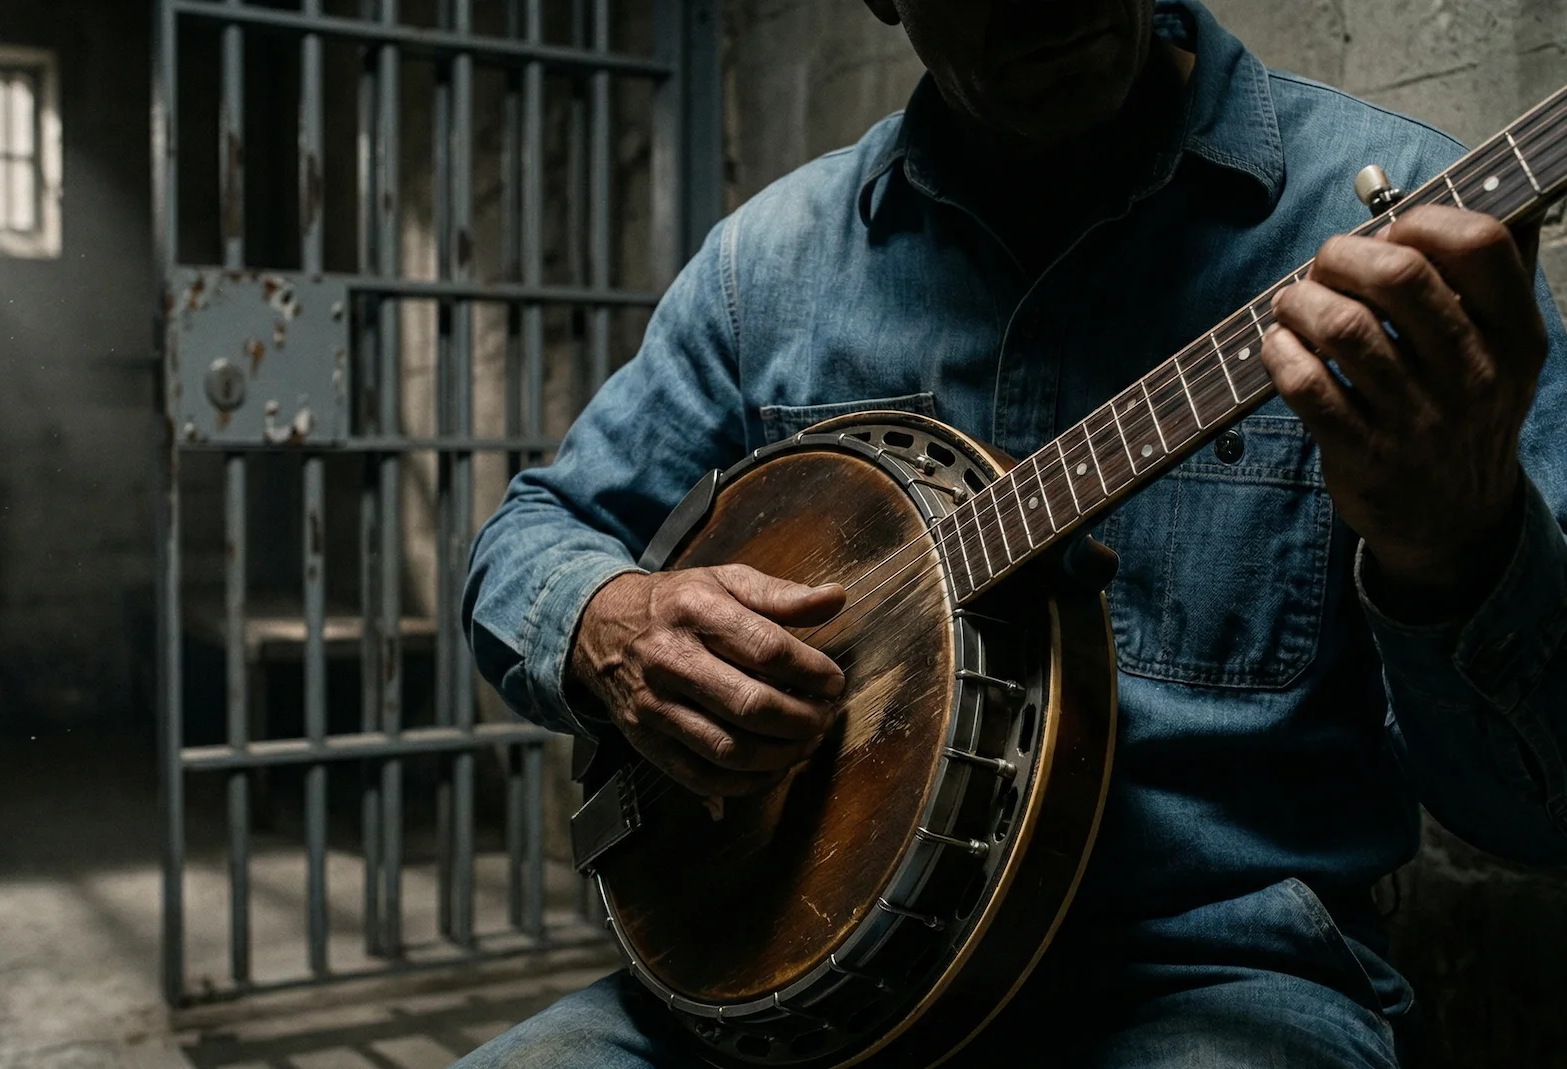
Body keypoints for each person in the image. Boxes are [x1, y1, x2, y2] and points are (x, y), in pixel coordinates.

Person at [458, 0, 1567, 1065]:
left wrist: (1455, 540)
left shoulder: (1404, 239)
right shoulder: (769, 267)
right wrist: (611, 622)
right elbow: (536, 529)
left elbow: (1538, 810)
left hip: (1208, 979)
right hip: (780, 987)